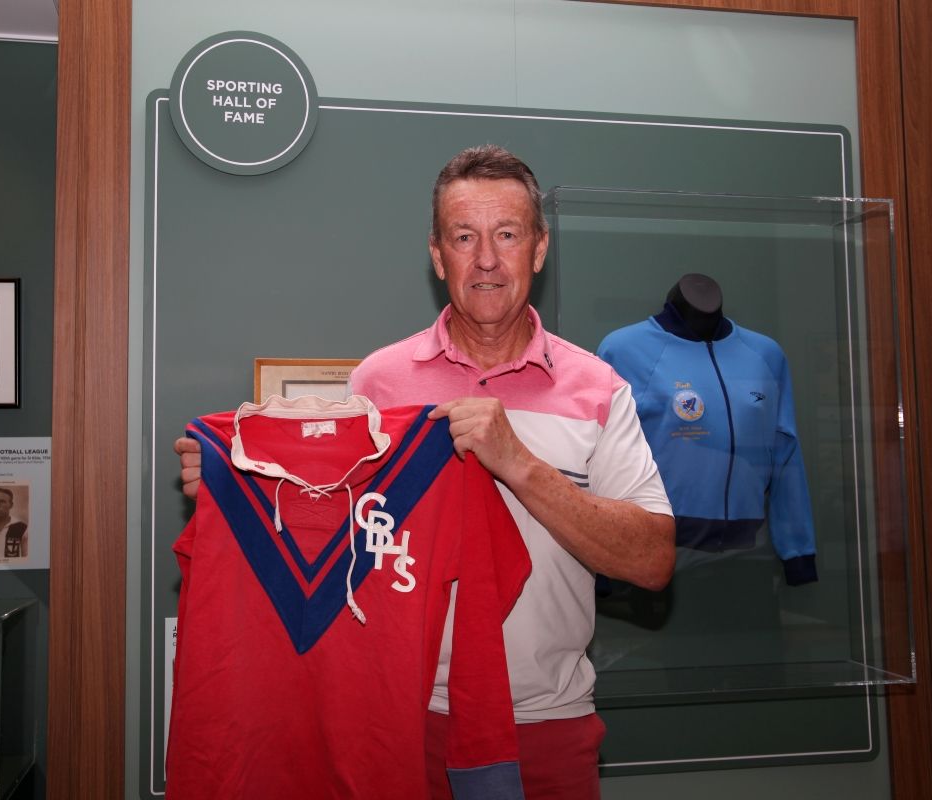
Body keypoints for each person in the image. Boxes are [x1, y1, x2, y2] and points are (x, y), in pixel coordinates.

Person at [175, 145, 676, 799]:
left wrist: (519, 465)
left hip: (547, 727)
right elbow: (329, 549)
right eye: (464, 237)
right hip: (396, 722)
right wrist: (243, 489)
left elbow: (652, 560)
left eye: (507, 235)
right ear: (438, 256)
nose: (487, 259)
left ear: (540, 248)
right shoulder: (379, 383)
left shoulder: (598, 387)